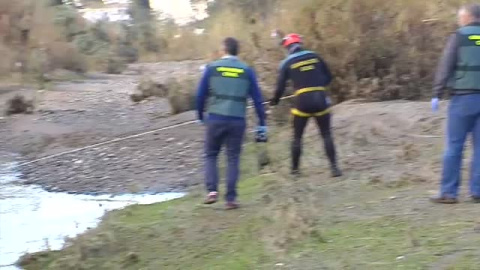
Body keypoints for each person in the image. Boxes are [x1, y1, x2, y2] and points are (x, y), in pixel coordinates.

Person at [196, 37, 267, 210]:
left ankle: (212, 191)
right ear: (237, 51)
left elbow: (200, 95)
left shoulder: (212, 68)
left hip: (215, 118)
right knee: (233, 158)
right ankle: (231, 199)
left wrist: (199, 114)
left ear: (224, 50)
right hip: (237, 120)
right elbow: (258, 99)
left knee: (211, 154)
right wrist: (262, 123)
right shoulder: (247, 70)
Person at [270, 33, 342, 177]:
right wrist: (318, 86)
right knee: (326, 134)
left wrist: (275, 100)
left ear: (287, 47)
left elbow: (280, 87)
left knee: (297, 137)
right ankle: (334, 169)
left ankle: (295, 171)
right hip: (321, 99)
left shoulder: (287, 62)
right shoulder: (315, 56)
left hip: (302, 101)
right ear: (300, 44)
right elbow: (328, 76)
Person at [431, 4, 480, 204]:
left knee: (454, 146)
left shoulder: (458, 36)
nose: (459, 20)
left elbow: (446, 65)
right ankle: (477, 191)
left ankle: (449, 192)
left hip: (463, 99)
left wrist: (437, 93)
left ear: (468, 17)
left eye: (461, 17)